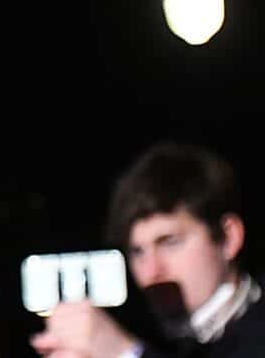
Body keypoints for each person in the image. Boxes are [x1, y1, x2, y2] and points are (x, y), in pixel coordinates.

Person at [36, 143, 265, 358]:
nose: (151, 271)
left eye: (170, 242)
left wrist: (125, 352)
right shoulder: (149, 333)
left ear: (228, 238)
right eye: (138, 252)